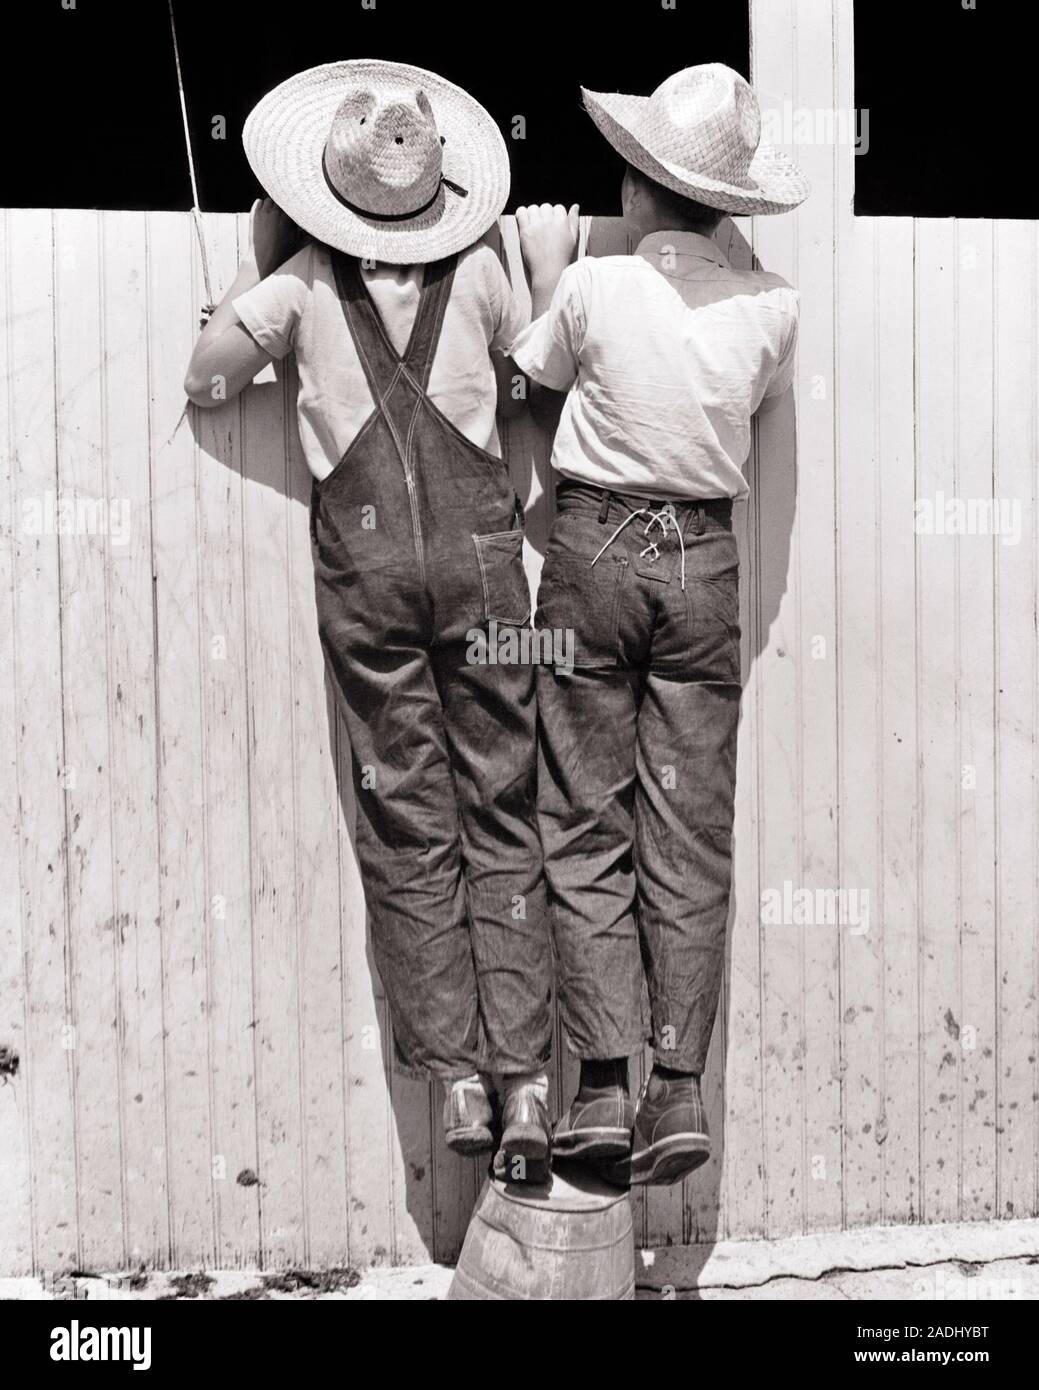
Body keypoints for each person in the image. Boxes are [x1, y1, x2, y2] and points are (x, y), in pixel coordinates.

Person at [185, 60, 554, 1180]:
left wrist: (254, 269)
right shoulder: (485, 271)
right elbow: (534, 384)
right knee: (507, 808)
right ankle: (530, 1086)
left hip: (371, 574)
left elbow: (206, 380)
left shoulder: (298, 282)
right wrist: (541, 264)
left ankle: (451, 1074)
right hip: (490, 571)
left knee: (408, 821)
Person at [511, 63, 809, 1186]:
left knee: (583, 814)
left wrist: (546, 270)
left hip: (591, 554)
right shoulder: (773, 307)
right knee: (687, 829)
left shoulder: (591, 287)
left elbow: (532, 377)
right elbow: (744, 398)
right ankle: (676, 1086)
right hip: (702, 567)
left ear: (636, 186)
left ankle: (597, 1085)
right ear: (729, 207)